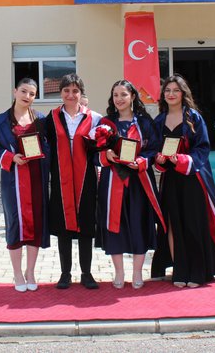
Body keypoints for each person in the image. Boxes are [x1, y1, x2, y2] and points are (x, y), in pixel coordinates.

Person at [150, 74, 215, 287]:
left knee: (193, 225)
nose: (171, 94)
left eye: (175, 90)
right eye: (167, 90)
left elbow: (203, 148)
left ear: (183, 93)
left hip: (192, 179)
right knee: (173, 225)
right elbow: (154, 148)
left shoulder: (194, 118)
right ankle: (180, 271)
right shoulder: (159, 120)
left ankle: (197, 272)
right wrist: (159, 159)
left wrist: (181, 160)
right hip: (170, 180)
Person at [95, 79, 164, 289]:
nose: (119, 99)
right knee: (115, 226)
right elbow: (94, 152)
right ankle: (119, 272)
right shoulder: (105, 123)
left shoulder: (144, 122)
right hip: (113, 181)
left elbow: (154, 148)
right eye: (115, 95)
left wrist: (142, 161)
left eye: (124, 94)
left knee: (138, 223)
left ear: (133, 96)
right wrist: (106, 154)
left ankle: (137, 272)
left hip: (138, 181)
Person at [0, 78, 50, 292]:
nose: (27, 96)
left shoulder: (40, 120)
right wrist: (11, 157)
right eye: (24, 91)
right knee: (14, 223)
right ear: (15, 91)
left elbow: (48, 147)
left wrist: (41, 155)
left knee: (36, 224)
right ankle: (17, 273)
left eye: (32, 94)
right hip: (13, 180)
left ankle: (30, 272)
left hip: (36, 178)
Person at [46, 74, 102, 289]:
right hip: (60, 179)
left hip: (86, 179)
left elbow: (101, 147)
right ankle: (65, 273)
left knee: (86, 226)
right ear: (60, 92)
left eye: (75, 91)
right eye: (66, 90)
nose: (71, 95)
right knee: (63, 228)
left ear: (81, 93)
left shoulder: (94, 118)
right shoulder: (51, 118)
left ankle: (87, 273)